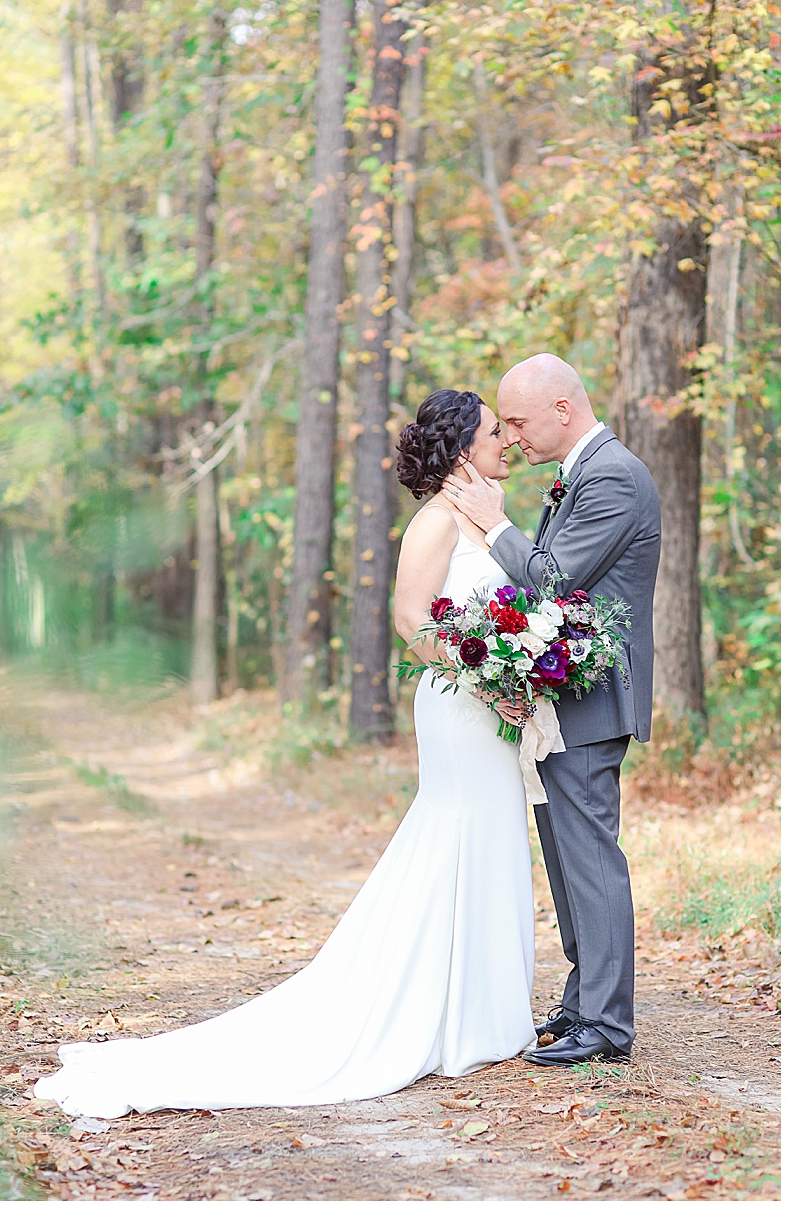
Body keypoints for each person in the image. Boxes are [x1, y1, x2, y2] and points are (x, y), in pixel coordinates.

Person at [33, 388, 538, 1119]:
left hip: (494, 707)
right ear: (463, 449)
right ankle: (449, 1013)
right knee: (458, 833)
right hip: (462, 709)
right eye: (496, 431)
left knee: (492, 840)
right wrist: (485, 683)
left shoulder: (488, 519)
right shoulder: (435, 524)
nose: (507, 441)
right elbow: (409, 620)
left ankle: (484, 1011)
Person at [443, 353, 661, 1066]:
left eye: (519, 420)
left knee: (591, 857)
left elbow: (555, 580)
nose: (512, 435)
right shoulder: (581, 473)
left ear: (562, 409)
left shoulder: (614, 476)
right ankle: (582, 1003)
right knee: (567, 858)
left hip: (593, 696)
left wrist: (495, 522)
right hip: (561, 692)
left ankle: (607, 1024)